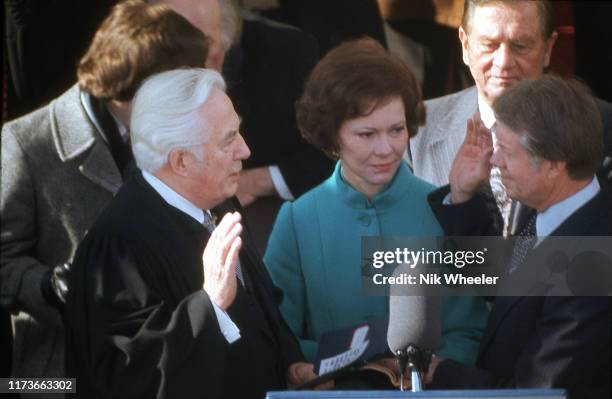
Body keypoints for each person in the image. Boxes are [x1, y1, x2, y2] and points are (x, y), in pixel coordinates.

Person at [64, 68, 322, 398]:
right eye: (229, 139)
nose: (245, 150)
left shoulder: (221, 200)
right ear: (182, 161)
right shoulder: (118, 245)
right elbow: (123, 377)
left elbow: (260, 303)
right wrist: (209, 305)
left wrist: (288, 363)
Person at [0, 0, 208, 385]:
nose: (189, 97)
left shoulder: (176, 129)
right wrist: (48, 287)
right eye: (178, 84)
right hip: (61, 371)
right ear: (138, 88)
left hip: (159, 360)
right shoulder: (25, 143)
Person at [263, 38, 489, 386]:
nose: (385, 149)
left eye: (397, 130)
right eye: (366, 134)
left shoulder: (444, 211)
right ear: (332, 135)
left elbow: (469, 331)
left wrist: (432, 372)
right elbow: (278, 335)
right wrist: (323, 367)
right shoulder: (297, 220)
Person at [425, 75, 611, 399]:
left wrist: (437, 371)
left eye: (506, 153)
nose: (493, 162)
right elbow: (508, 284)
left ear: (554, 165)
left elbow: (533, 393)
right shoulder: (557, 211)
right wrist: (463, 196)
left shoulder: (592, 266)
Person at [408, 0, 612, 231]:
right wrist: (458, 201)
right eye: (489, 45)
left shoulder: (602, 126)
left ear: (548, 48)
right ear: (465, 45)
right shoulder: (414, 129)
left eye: (520, 45)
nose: (503, 62)